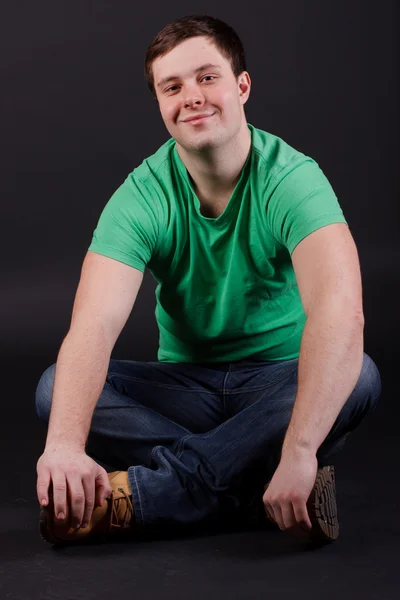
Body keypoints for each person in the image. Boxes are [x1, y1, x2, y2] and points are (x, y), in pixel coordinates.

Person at [35, 14, 382, 547]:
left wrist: (299, 450)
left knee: (356, 372)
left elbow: (341, 313)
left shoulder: (291, 179)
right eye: (171, 87)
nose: (191, 96)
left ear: (241, 86)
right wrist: (61, 445)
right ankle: (249, 487)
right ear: (159, 104)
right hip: (186, 388)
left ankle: (152, 497)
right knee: (57, 388)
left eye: (207, 77)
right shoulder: (142, 195)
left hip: (280, 382)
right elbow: (93, 327)